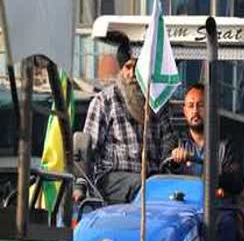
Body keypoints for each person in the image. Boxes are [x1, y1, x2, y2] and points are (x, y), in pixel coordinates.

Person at [75, 41, 175, 204]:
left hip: (152, 181)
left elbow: (169, 144)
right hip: (113, 179)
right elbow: (88, 149)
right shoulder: (104, 101)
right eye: (128, 67)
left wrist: (173, 159)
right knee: (143, 186)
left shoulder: (158, 103)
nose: (133, 73)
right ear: (121, 70)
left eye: (138, 68)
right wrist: (80, 186)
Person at [169, 83, 244, 241]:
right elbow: (163, 174)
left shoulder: (226, 143)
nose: (196, 110)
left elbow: (236, 180)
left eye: (201, 105)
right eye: (191, 105)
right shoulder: (175, 141)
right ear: (184, 110)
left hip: (215, 208)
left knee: (225, 224)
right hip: (183, 209)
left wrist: (213, 175)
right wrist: (174, 162)